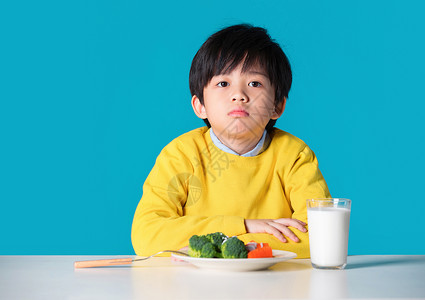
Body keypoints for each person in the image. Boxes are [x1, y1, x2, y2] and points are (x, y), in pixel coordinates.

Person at [131, 24, 331, 258]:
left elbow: (321, 235)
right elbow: (147, 235)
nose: (239, 95)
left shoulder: (294, 155)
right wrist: (244, 226)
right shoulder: (180, 155)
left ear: (277, 106)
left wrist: (215, 246)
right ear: (200, 106)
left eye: (255, 83)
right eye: (223, 83)